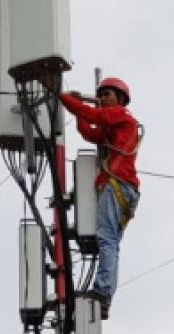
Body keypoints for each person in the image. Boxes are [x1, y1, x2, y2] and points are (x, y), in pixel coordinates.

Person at [55, 76, 141, 320]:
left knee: (107, 241)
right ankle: (104, 296)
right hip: (118, 188)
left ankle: (102, 291)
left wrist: (61, 97)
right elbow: (88, 131)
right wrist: (77, 106)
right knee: (110, 242)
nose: (102, 99)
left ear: (120, 99)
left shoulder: (122, 117)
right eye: (100, 95)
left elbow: (96, 117)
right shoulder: (113, 127)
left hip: (118, 185)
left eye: (107, 94)